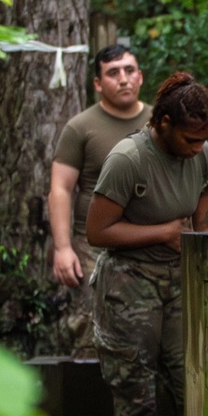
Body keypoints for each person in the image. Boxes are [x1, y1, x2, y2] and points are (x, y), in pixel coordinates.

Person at [86, 72, 208, 416]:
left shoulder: (202, 154)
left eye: (205, 139)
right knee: (136, 393)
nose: (198, 147)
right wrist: (163, 232)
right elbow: (97, 231)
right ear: (162, 123)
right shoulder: (128, 159)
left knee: (193, 385)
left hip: (180, 279)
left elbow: (207, 215)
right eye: (190, 138)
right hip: (130, 283)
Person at [48, 44, 151, 353]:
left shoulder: (160, 122)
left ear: (141, 77)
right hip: (92, 247)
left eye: (129, 71)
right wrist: (63, 248)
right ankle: (88, 398)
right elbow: (60, 188)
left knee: (149, 335)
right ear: (97, 83)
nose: (123, 79)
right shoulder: (80, 127)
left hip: (151, 244)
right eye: (113, 73)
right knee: (88, 332)